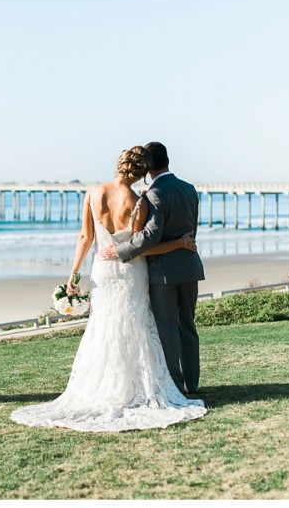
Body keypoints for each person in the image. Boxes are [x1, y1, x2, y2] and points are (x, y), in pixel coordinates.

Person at [9, 146, 207, 432]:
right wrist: (180, 244)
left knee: (103, 328)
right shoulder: (139, 202)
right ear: (140, 172)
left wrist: (73, 275)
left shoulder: (93, 193)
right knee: (139, 327)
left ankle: (106, 386)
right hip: (133, 272)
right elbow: (141, 245)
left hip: (103, 271)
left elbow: (85, 237)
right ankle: (167, 384)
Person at [101, 141, 205, 397]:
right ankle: (192, 383)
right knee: (188, 327)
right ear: (168, 160)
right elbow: (190, 228)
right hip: (190, 266)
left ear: (148, 168)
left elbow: (150, 236)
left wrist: (120, 250)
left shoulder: (154, 194)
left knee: (168, 329)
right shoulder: (189, 189)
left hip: (164, 273)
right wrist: (182, 244)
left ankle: (176, 385)